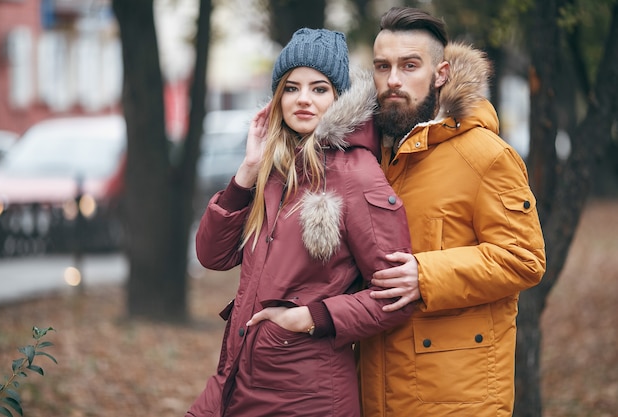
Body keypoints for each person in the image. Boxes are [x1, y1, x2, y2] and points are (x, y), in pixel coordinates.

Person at [185, 28, 414, 417]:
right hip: (237, 379)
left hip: (307, 395)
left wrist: (310, 317)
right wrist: (246, 173)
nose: (303, 99)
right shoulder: (273, 170)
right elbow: (212, 255)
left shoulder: (357, 174)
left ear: (340, 98)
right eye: (291, 88)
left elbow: (395, 297)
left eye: (319, 89)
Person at [358, 7, 547, 417]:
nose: (393, 80)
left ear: (441, 73)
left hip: (459, 400)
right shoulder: (371, 159)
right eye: (382, 66)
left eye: (410, 66)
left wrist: (424, 277)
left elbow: (525, 259)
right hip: (378, 394)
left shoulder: (486, 156)